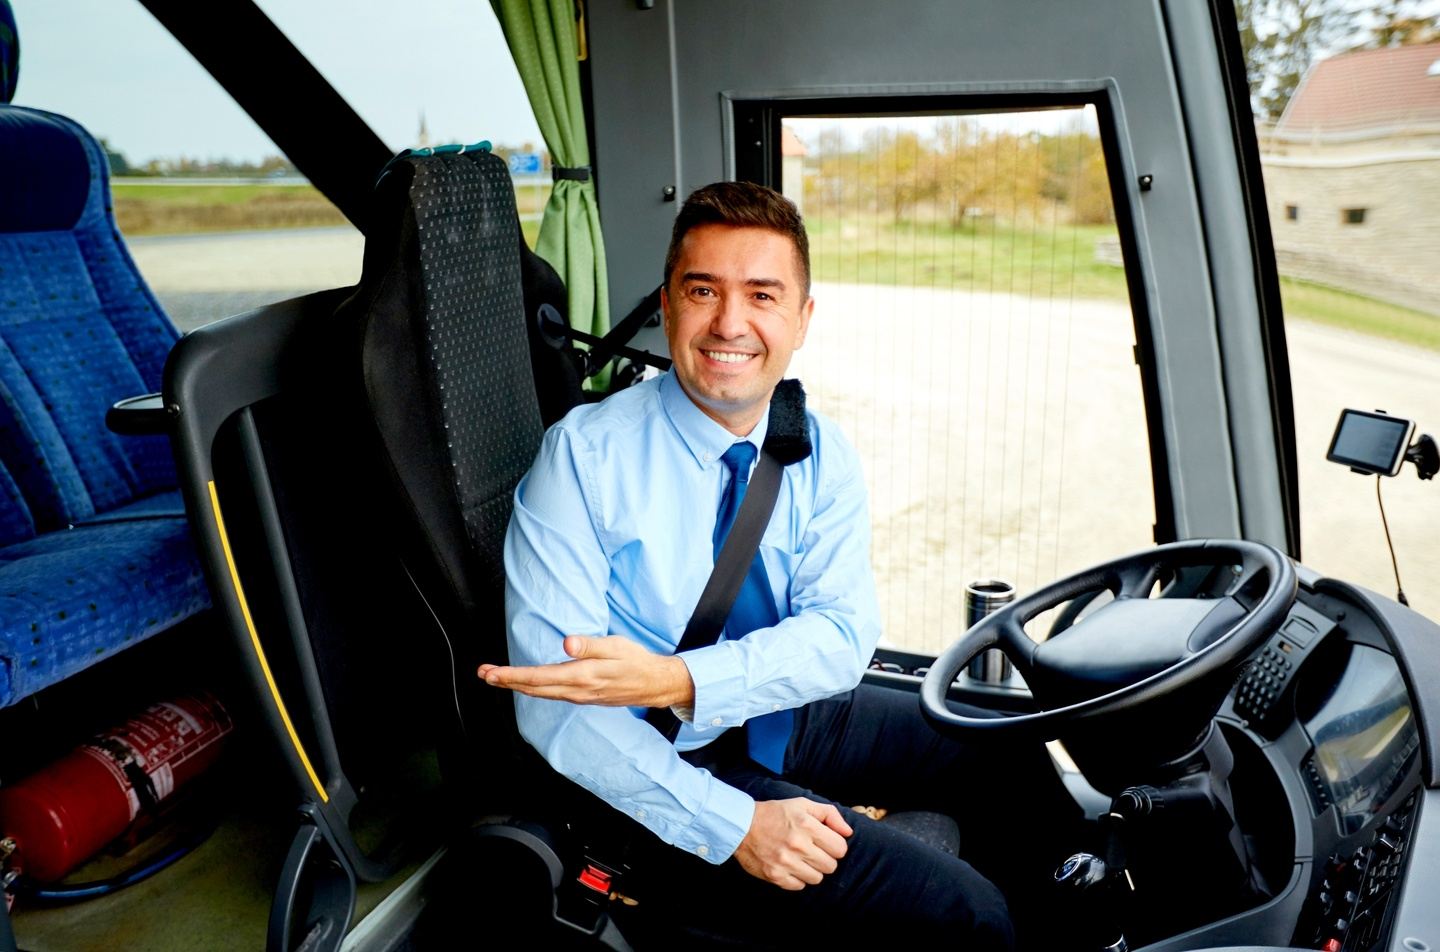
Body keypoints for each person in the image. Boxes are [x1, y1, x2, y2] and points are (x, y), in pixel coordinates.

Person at [481, 182, 1038, 949]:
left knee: (1005, 747)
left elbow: (842, 634)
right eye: (702, 290)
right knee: (969, 916)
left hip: (772, 713)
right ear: (667, 306)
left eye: (762, 295)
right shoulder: (581, 459)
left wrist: (680, 680)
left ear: (801, 319)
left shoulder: (819, 449)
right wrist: (737, 824)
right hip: (654, 759)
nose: (730, 323)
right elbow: (561, 712)